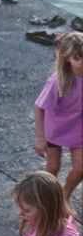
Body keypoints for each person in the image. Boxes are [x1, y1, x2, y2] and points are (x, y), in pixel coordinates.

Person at [34, 32, 83, 201]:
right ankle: (46, 198)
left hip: (78, 129)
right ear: (67, 59)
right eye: (78, 58)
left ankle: (64, 196)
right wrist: (40, 138)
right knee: (53, 168)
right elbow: (39, 108)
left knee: (80, 168)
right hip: (55, 129)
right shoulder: (58, 81)